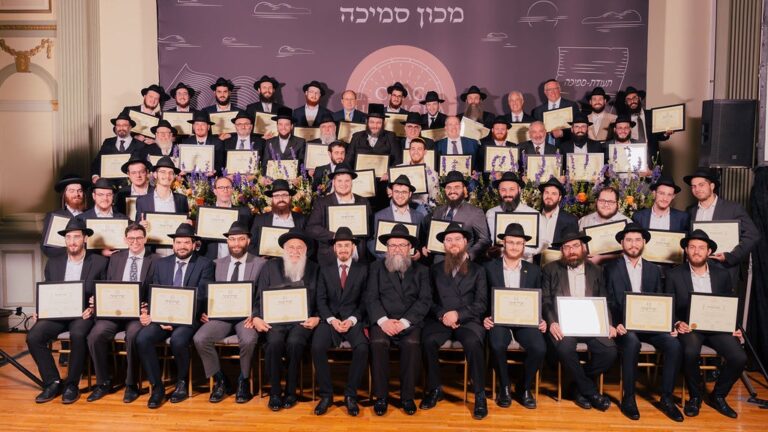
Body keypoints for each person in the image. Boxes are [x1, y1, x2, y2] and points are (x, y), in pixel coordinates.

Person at [604, 224, 683, 421]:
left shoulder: (653, 269)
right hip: (624, 326)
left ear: (644, 242)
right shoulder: (609, 268)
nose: (633, 244)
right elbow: (606, 300)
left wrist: (669, 324)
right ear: (622, 243)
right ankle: (629, 398)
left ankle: (666, 399)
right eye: (629, 240)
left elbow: (660, 300)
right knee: (632, 342)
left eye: (638, 240)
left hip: (650, 325)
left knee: (673, 344)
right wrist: (614, 323)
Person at [665, 230, 747, 419]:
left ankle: (718, 396)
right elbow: (668, 305)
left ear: (709, 251)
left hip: (717, 326)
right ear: (686, 250)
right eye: (692, 247)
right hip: (690, 327)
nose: (696, 251)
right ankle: (695, 397)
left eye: (701, 248)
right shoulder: (674, 275)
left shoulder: (722, 274)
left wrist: (733, 326)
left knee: (739, 357)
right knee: (690, 352)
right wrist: (677, 322)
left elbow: (729, 303)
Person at [26, 218, 108, 404]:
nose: (72, 241)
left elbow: (104, 291)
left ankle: (72, 385)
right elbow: (48, 289)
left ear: (85, 238)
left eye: (76, 237)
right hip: (57, 313)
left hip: (82, 313)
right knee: (34, 337)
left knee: (78, 334)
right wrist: (41, 310)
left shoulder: (99, 262)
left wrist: (94, 307)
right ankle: (52, 382)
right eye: (68, 237)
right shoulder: (53, 262)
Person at [135, 223, 215, 409]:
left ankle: (181, 382)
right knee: (142, 338)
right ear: (173, 244)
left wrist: (177, 318)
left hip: (189, 318)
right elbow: (154, 292)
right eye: (178, 242)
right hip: (163, 317)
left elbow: (202, 295)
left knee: (178, 340)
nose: (182, 246)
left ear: (194, 244)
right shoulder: (162, 264)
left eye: (186, 242)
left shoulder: (205, 264)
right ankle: (157, 387)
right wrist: (158, 316)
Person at [420, 222, 489, 420]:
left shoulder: (478, 270)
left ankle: (480, 395)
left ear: (466, 242)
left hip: (467, 320)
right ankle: (434, 389)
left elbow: (481, 303)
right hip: (440, 319)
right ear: (444, 245)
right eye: (448, 240)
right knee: (428, 341)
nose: (453, 243)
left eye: (458, 239)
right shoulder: (434, 269)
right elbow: (428, 300)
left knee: (473, 343)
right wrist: (443, 314)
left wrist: (458, 314)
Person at [543, 230, 617, 411]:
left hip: (591, 323)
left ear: (583, 248)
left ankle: (578, 387)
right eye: (566, 247)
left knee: (609, 351)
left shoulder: (597, 270)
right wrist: (552, 322)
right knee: (564, 349)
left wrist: (608, 323)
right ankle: (590, 392)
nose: (571, 251)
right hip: (563, 325)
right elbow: (545, 300)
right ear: (562, 250)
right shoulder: (550, 269)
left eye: (575, 246)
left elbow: (604, 299)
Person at [193, 222, 266, 404]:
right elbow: (207, 291)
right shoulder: (216, 264)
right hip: (221, 316)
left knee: (248, 340)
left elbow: (263, 294)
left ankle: (243, 380)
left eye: (241, 239)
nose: (236, 243)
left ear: (248, 241)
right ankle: (220, 380)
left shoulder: (261, 264)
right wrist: (206, 310)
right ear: (227, 242)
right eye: (232, 239)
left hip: (247, 317)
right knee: (200, 338)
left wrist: (256, 314)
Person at [86, 223, 159, 403]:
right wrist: (97, 299)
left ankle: (131, 384)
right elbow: (106, 284)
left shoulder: (156, 260)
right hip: (114, 311)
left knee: (133, 335)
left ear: (145, 239)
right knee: (95, 335)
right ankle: (103, 382)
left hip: (138, 313)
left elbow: (159, 288)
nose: (135, 242)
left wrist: (149, 307)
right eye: (131, 238)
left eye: (139, 238)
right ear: (125, 240)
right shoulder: (116, 258)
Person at [366, 223, 432, 416]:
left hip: (409, 321)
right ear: (386, 248)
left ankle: (407, 397)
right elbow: (371, 298)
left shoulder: (422, 270)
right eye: (392, 245)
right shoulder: (376, 268)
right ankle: (381, 397)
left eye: (402, 245)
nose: (397, 249)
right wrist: (383, 321)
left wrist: (404, 322)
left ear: (410, 248)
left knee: (412, 344)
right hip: (383, 320)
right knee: (378, 342)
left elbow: (425, 300)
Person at [252, 229, 319, 411]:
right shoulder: (270, 267)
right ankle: (275, 392)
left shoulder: (314, 268)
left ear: (306, 250)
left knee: (295, 343)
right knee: (274, 342)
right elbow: (258, 298)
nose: (295, 251)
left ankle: (291, 391)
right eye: (291, 247)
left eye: (299, 248)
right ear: (284, 249)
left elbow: (321, 298)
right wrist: (256, 317)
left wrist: (317, 317)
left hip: (302, 321)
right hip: (274, 320)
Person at [483, 223, 546, 409]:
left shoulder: (533, 270)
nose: (514, 246)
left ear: (524, 246)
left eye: (519, 243)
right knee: (497, 344)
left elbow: (539, 299)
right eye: (510, 242)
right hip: (498, 320)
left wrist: (541, 319)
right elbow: (482, 297)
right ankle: (504, 387)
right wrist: (485, 317)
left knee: (539, 348)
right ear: (503, 243)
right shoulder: (488, 268)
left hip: (525, 321)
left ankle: (523, 387)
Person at [311, 227, 370, 417]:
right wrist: (331, 319)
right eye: (340, 245)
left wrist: (352, 320)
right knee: (317, 347)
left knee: (362, 348)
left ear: (353, 247)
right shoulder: (324, 269)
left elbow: (365, 301)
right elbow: (320, 300)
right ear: (334, 248)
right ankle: (326, 395)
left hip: (353, 319)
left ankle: (350, 395)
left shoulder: (363, 269)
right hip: (330, 320)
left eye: (347, 245)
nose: (343, 249)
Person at [684, 167, 760, 285]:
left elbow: (753, 235)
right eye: (693, 186)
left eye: (701, 185)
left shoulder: (733, 209)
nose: (697, 189)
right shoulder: (690, 211)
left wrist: (731, 256)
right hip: (695, 271)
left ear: (712, 186)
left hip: (724, 270)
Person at [306, 164, 371, 265]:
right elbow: (311, 228)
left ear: (352, 182)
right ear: (334, 182)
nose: (343, 184)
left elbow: (370, 229)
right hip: (330, 258)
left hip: (358, 258)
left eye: (347, 181)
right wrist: (335, 235)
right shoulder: (321, 202)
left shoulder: (363, 201)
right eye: (339, 181)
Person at [424, 171, 491, 262]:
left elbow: (484, 239)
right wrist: (426, 247)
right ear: (445, 190)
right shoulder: (438, 211)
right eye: (448, 187)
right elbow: (433, 238)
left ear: (464, 189)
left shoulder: (475, 212)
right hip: (438, 264)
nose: (452, 191)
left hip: (462, 263)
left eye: (457, 187)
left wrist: (469, 254)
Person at [485, 171, 543, 260]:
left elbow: (540, 245)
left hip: (525, 264)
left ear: (519, 190)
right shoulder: (490, 214)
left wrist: (512, 250)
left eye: (512, 189)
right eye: (503, 190)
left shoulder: (534, 215)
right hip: (497, 264)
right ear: (498, 191)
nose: (507, 194)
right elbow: (485, 242)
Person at [367, 175, 426, 259]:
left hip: (410, 263)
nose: (400, 195)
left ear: (410, 194)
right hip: (387, 264)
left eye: (404, 192)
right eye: (397, 191)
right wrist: (386, 256)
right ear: (392, 193)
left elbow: (422, 242)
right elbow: (371, 242)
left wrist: (419, 253)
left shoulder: (419, 216)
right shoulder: (378, 216)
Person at [198, 176, 253, 260]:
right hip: (210, 261)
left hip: (237, 260)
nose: (225, 190)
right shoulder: (206, 213)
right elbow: (200, 242)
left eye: (228, 187)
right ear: (215, 191)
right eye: (221, 187)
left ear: (232, 190)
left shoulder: (244, 212)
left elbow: (250, 238)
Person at [249, 179, 307, 256]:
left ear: (290, 198)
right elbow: (251, 245)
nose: (281, 199)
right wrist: (260, 258)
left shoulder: (302, 219)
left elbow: (308, 245)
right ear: (272, 199)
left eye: (284, 195)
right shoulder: (260, 220)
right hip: (267, 262)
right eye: (276, 196)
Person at [41, 174, 89, 258]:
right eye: (71, 191)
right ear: (64, 194)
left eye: (80, 191)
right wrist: (71, 256)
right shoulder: (53, 216)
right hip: (61, 262)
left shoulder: (90, 215)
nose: (76, 194)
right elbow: (46, 248)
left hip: (88, 262)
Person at [91, 112, 144, 183]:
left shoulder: (140, 145)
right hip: (109, 184)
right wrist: (95, 176)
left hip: (132, 184)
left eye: (124, 125)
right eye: (118, 125)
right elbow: (97, 162)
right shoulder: (107, 142)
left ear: (130, 127)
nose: (121, 128)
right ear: (115, 127)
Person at [621, 86, 671, 159]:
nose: (632, 101)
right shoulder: (624, 119)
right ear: (626, 103)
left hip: (651, 155)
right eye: (629, 100)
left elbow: (659, 136)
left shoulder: (651, 114)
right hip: (632, 156)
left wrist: (666, 133)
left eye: (634, 98)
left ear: (639, 98)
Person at [532, 79, 580, 146]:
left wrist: (563, 133)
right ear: (545, 92)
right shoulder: (538, 111)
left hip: (566, 146)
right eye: (549, 90)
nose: (553, 92)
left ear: (559, 89)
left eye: (555, 89)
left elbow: (579, 128)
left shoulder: (571, 106)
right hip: (546, 148)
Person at [537, 177, 579, 251]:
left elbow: (572, 248)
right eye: (546, 192)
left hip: (558, 258)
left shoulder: (570, 220)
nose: (549, 196)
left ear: (559, 198)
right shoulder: (534, 217)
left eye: (554, 194)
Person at [261, 106, 306, 173]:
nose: (283, 128)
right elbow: (265, 165)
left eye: (287, 124)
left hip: (293, 178)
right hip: (273, 178)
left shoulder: (300, 142)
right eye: (280, 124)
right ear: (277, 126)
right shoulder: (269, 142)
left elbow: (302, 166)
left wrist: (299, 177)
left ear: (291, 126)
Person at [180, 111, 224, 176]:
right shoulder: (186, 143)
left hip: (210, 179)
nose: (200, 127)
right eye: (197, 124)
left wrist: (214, 171)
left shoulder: (217, 143)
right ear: (193, 127)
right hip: (191, 178)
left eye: (203, 124)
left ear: (208, 127)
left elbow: (220, 164)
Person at [115, 152, 154, 219]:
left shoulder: (155, 192)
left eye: (141, 172)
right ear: (128, 174)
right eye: (134, 173)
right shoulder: (121, 194)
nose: (138, 175)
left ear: (147, 172)